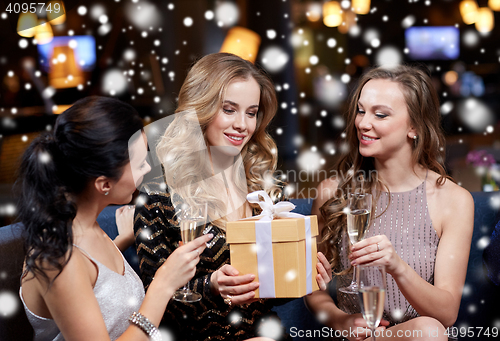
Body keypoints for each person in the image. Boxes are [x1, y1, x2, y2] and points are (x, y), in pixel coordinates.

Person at [134, 52, 332, 341]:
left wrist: (302, 273)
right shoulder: (159, 195)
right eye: (229, 110)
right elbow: (153, 302)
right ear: (199, 108)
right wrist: (211, 285)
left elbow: (272, 295)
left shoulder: (265, 187)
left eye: (251, 113)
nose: (243, 124)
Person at [17, 96, 213, 341]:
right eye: (141, 163)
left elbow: (95, 284)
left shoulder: (85, 226)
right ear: (104, 184)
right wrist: (163, 284)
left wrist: (121, 240)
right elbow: (76, 273)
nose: (147, 170)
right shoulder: (58, 259)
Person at [305, 65, 474, 341]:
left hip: (420, 339)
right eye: (361, 111)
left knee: (428, 331)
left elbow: (446, 313)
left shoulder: (453, 200)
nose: (362, 123)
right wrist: (340, 320)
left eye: (380, 114)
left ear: (415, 126)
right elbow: (312, 285)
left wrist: (397, 266)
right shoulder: (333, 192)